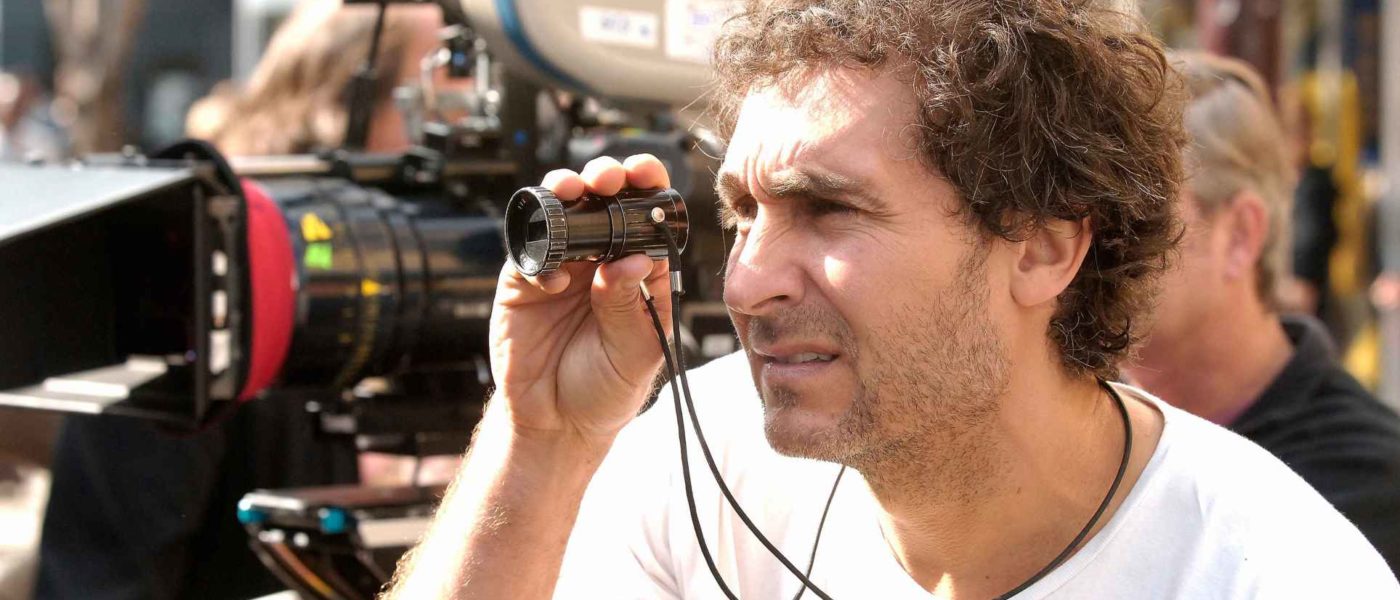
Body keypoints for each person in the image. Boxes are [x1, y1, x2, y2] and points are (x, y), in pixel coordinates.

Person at [388, 1, 1398, 598]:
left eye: (828, 210)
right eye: (742, 212)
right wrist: (541, 441)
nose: (746, 282)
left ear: (1045, 248)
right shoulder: (701, 454)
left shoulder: (1271, 573)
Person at [35, 2, 450, 599]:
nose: (452, 139)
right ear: (343, 105)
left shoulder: (390, 293)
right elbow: (102, 579)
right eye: (432, 101)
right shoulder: (191, 277)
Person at [1124, 51, 1400, 575]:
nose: (1088, 244)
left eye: (1136, 214)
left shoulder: (1363, 485)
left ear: (1240, 235)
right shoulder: (1088, 440)